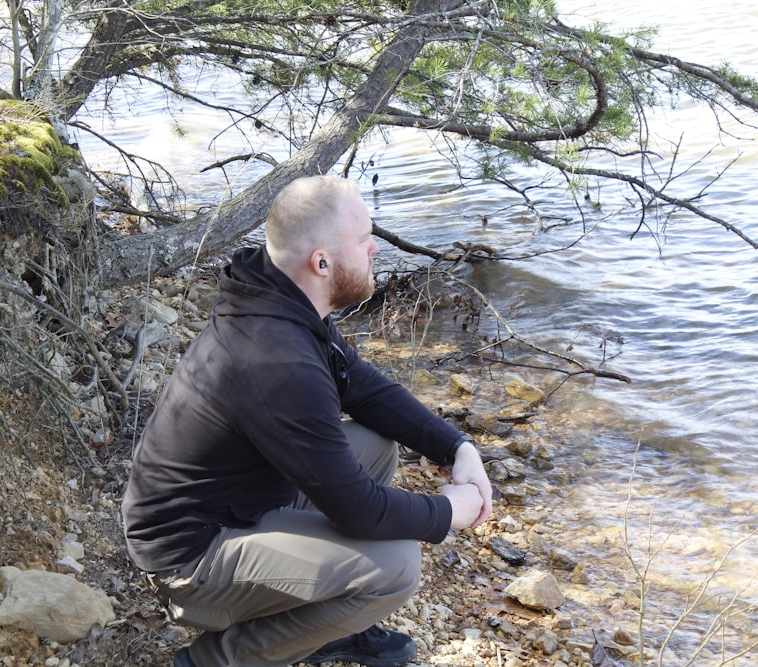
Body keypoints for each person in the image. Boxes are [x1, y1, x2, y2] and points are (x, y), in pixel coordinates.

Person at [121, 175, 495, 667]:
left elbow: (359, 384)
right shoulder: (276, 361)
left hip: (238, 504)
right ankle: (218, 659)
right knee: (399, 566)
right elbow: (358, 512)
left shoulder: (277, 293)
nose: (376, 251)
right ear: (321, 262)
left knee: (374, 444)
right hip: (191, 559)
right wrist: (449, 511)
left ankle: (319, 615)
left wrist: (456, 447)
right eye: (364, 241)